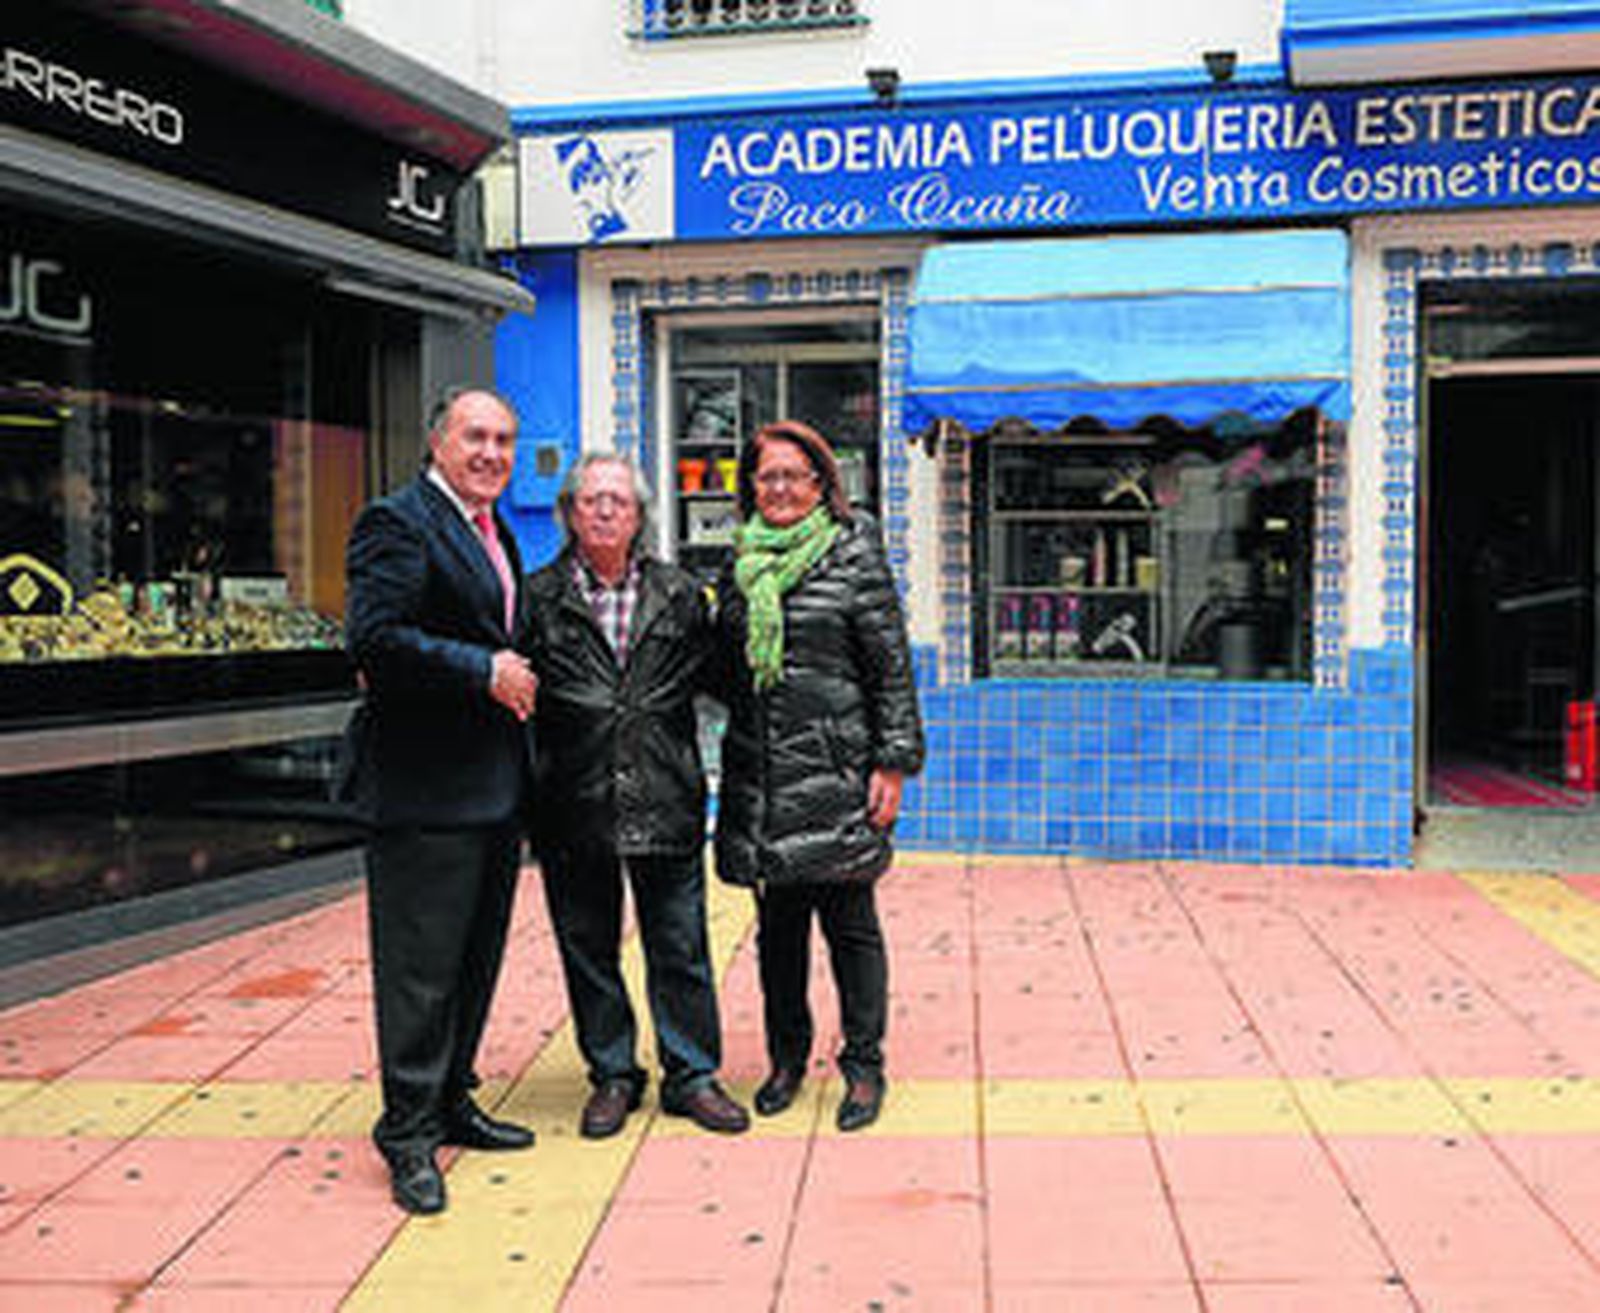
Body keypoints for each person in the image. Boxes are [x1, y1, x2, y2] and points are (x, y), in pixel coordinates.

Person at [342, 387, 538, 1215]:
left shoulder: (491, 530)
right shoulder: (397, 521)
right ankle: (408, 1131)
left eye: (504, 440)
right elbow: (374, 638)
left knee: (471, 964)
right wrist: (481, 669)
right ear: (437, 443)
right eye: (475, 436)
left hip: (490, 789)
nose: (492, 453)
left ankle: (453, 1098)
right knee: (419, 975)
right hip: (423, 791)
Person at [522, 453, 749, 1139]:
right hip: (573, 797)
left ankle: (692, 1075)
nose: (604, 510)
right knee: (588, 948)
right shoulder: (535, 597)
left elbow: (725, 681)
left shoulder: (679, 594)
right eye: (591, 499)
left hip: (665, 791)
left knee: (680, 945)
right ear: (569, 513)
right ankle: (613, 1073)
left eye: (618, 500)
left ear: (640, 515)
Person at [715, 420, 925, 1133]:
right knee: (778, 933)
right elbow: (723, 668)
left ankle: (864, 1065)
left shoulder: (854, 554)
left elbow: (891, 666)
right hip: (766, 776)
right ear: (751, 487)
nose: (779, 488)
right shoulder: (741, 564)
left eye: (792, 476)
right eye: (766, 476)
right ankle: (786, 1060)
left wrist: (893, 761)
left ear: (820, 484)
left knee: (850, 925)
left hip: (839, 772)